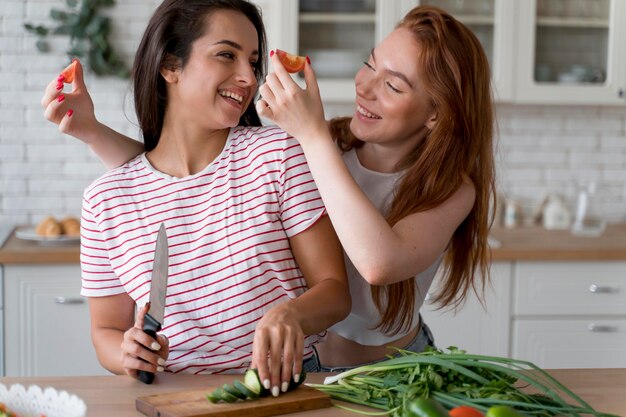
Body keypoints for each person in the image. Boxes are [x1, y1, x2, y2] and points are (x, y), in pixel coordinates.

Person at [42, 5, 495, 372]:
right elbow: (176, 177)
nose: (365, 87)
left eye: (393, 85)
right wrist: (92, 132)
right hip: (314, 365)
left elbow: (378, 263)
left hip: (394, 369)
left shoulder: (448, 189)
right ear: (169, 66)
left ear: (436, 114)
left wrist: (310, 134)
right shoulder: (326, 143)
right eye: (368, 65)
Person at [40, 0, 351, 394]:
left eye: (253, 62)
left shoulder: (278, 155)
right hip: (172, 393)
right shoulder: (106, 200)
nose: (248, 77)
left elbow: (335, 291)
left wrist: (291, 314)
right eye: (226, 55)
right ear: (170, 65)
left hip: (286, 385)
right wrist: (127, 354)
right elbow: (105, 332)